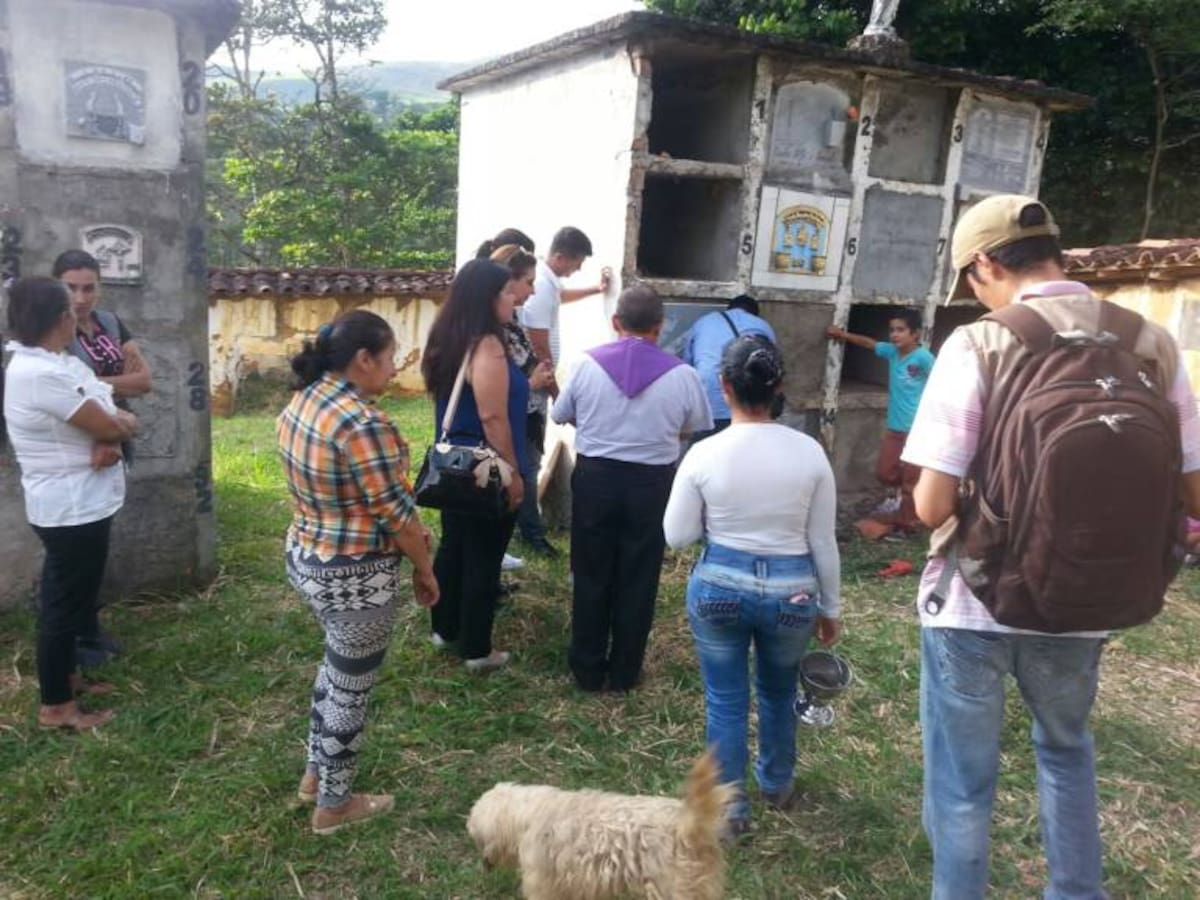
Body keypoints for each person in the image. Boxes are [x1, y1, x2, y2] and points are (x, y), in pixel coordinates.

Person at [903, 194, 1200, 899]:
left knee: (964, 780)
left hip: (973, 605)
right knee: (1067, 754)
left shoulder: (979, 343)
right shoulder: (1150, 343)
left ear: (983, 265)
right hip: (1084, 600)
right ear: (1055, 253)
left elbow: (932, 504)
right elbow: (1194, 491)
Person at [663, 334, 841, 839]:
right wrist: (831, 608)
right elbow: (822, 542)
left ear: (724, 386)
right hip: (795, 593)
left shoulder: (704, 453)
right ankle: (777, 785)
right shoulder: (809, 452)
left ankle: (729, 811)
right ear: (779, 386)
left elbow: (678, 536)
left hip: (719, 585)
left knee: (725, 698)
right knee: (779, 691)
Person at [277, 309, 439, 835]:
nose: (394, 369)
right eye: (390, 358)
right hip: (354, 577)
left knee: (336, 670)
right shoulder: (362, 423)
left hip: (308, 555)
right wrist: (424, 569)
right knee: (351, 688)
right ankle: (334, 804)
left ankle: (313, 775)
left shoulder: (304, 400)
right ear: (364, 359)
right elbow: (397, 515)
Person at [551, 284, 711, 692]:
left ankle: (587, 668)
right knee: (638, 576)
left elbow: (561, 414)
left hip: (595, 479)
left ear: (615, 323)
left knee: (590, 571)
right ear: (660, 327)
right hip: (650, 484)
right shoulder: (683, 374)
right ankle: (625, 671)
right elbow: (693, 427)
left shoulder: (585, 365)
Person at [2, 276, 138, 731]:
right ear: (59, 318)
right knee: (62, 606)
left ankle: (67, 677)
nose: (78, 312)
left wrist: (111, 426)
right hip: (71, 508)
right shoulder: (40, 373)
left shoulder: (51, 363)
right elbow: (110, 423)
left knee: (76, 597)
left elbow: (103, 405)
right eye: (69, 307)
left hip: (81, 501)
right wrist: (115, 429)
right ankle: (56, 707)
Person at [422, 258, 528, 673]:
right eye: (507, 292)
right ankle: (478, 649)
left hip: (454, 463)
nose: (514, 297)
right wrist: (514, 472)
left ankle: (445, 629)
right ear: (488, 297)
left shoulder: (448, 335)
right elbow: (493, 416)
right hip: (486, 465)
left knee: (456, 546)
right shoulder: (487, 344)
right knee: (485, 553)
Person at [53, 249, 153, 667]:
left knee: (97, 541)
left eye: (88, 287)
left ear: (100, 287)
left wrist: (94, 381)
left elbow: (144, 380)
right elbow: (63, 390)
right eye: (71, 288)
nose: (80, 297)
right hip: (80, 444)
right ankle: (72, 636)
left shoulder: (109, 323)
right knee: (74, 547)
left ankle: (87, 629)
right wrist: (114, 384)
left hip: (115, 436)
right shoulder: (52, 331)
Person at [518, 225, 611, 557]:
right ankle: (531, 532)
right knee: (528, 460)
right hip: (533, 384)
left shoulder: (545, 282)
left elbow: (559, 299)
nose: (577, 269)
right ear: (560, 256)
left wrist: (596, 290)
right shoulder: (541, 284)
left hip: (536, 382)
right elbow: (539, 341)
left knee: (528, 456)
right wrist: (558, 390)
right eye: (577, 262)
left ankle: (525, 525)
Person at [827, 307, 933, 535]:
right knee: (886, 471)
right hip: (895, 426)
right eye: (892, 330)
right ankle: (898, 504)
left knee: (911, 480)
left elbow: (940, 380)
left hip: (918, 429)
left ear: (915, 334)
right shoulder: (893, 353)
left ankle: (908, 523)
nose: (895, 335)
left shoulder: (923, 358)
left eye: (901, 330)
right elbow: (868, 343)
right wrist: (843, 335)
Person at [681, 294, 776, 442]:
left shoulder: (704, 322)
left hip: (706, 397)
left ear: (729, 309)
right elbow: (770, 364)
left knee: (703, 448)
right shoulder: (762, 325)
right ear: (754, 313)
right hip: (744, 402)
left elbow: (687, 362)